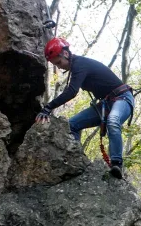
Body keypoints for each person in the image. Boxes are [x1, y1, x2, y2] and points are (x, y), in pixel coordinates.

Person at [36, 37, 134, 179]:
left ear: (66, 54)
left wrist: (48, 107)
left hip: (123, 98)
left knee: (113, 120)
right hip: (106, 103)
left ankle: (116, 165)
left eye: (59, 62)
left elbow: (72, 91)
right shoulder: (76, 67)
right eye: (55, 65)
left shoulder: (80, 64)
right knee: (72, 124)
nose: (59, 67)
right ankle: (76, 159)